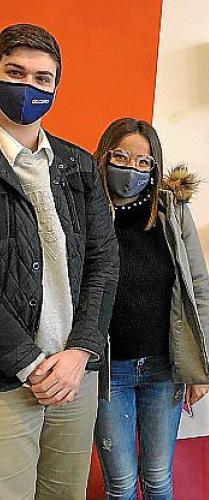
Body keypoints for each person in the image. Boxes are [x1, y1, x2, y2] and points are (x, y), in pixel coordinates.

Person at [0, 24, 119, 499]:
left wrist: (81, 350)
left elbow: (103, 262)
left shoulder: (78, 165)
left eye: (42, 78)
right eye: (15, 72)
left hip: (74, 373)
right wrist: (28, 362)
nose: (28, 86)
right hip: (8, 379)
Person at [92, 118, 209, 500]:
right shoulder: (86, 210)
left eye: (143, 162)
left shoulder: (171, 211)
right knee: (121, 483)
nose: (132, 169)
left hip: (163, 366)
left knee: (158, 478)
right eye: (122, 157)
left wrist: (200, 368)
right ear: (104, 155)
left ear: (155, 167)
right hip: (108, 371)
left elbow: (197, 288)